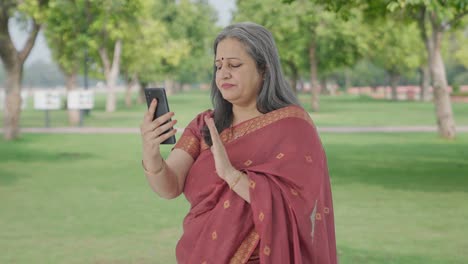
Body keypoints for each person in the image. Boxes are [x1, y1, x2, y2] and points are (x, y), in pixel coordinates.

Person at [140, 22, 337, 264]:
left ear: (264, 69)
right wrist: (151, 154)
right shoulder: (205, 124)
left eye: (234, 65)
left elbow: (295, 205)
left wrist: (230, 174)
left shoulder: (293, 127)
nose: (223, 73)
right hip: (200, 254)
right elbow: (169, 187)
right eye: (218, 65)